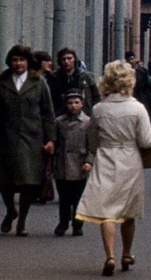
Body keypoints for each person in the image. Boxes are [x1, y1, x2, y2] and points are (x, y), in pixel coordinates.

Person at [76, 60, 151, 276]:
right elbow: (147, 140)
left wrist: (99, 150)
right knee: (128, 211)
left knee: (107, 212)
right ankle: (127, 253)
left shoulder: (99, 109)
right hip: (130, 159)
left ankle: (110, 255)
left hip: (105, 157)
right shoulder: (137, 108)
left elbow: (92, 139)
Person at [0, 44, 56, 237]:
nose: (18, 64)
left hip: (32, 138)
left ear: (28, 62)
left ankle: (22, 221)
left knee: (30, 181)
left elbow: (47, 113)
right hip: (7, 137)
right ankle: (11, 210)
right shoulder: (1, 81)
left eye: (21, 60)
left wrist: (50, 139)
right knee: (5, 181)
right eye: (14, 60)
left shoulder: (38, 82)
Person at [53, 91, 93, 237]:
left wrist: (89, 161)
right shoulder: (59, 122)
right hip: (62, 164)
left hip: (79, 164)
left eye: (76, 102)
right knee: (63, 197)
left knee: (78, 198)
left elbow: (93, 146)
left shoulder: (88, 122)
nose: (73, 106)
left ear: (82, 104)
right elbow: (54, 141)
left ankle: (77, 224)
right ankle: (63, 222)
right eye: (70, 103)